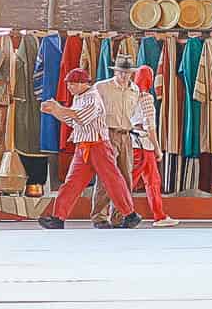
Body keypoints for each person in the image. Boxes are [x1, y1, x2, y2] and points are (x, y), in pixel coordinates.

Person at [38, 68, 142, 230]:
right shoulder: (80, 97)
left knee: (112, 180)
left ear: (82, 84)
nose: (69, 87)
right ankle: (58, 217)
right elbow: (73, 120)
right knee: (72, 183)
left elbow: (81, 117)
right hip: (84, 145)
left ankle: (130, 214)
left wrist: (57, 108)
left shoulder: (92, 97)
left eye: (72, 84)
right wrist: (54, 112)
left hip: (98, 145)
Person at [90, 55, 139, 227]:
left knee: (125, 176)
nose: (124, 75)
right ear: (115, 71)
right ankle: (99, 216)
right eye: (121, 72)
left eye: (127, 72)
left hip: (126, 135)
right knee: (106, 176)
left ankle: (119, 216)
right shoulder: (102, 87)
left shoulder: (135, 90)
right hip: (107, 133)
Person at [129, 65, 177, 226]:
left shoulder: (130, 95)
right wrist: (157, 148)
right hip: (144, 144)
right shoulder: (146, 98)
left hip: (133, 141)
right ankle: (118, 212)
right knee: (138, 181)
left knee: (149, 180)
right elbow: (150, 126)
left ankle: (159, 215)